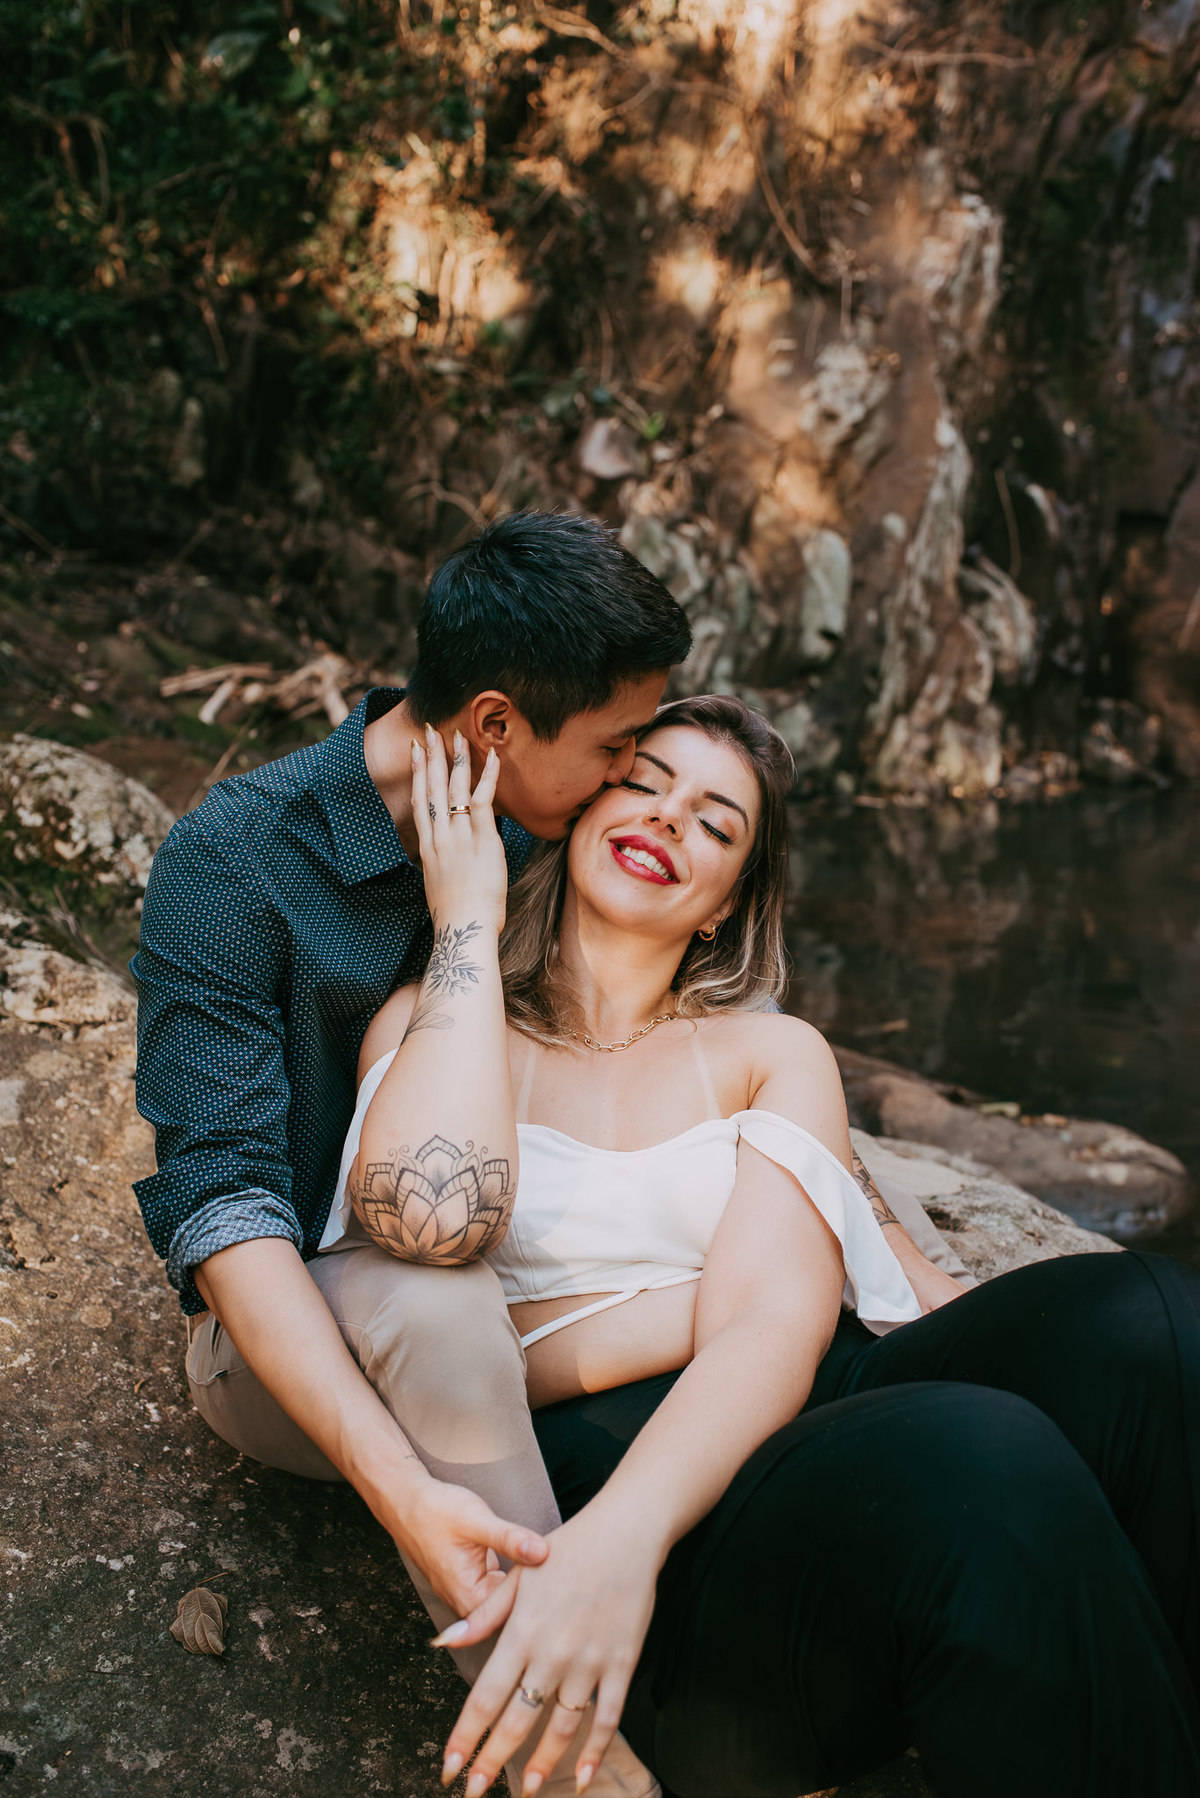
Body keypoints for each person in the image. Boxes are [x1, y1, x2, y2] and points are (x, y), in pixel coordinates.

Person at [325, 694, 1200, 1798]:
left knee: (1152, 1323)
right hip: (630, 1510)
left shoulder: (767, 1048)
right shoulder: (431, 1024)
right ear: (577, 810)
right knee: (984, 1460)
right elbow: (410, 1265)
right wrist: (464, 925)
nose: (670, 818)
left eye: (716, 821)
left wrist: (792, 1283)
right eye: (643, 782)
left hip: (805, 1402)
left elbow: (777, 1318)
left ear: (725, 902)